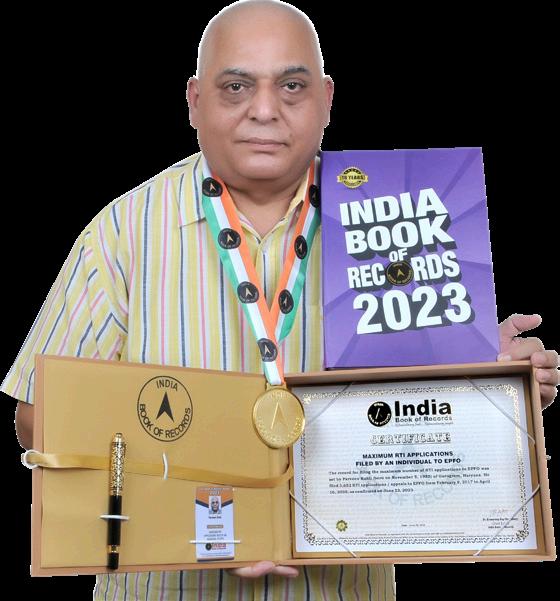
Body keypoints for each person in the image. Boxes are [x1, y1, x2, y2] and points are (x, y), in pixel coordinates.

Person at [3, 0, 558, 599]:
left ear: (327, 99)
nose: (265, 110)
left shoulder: (402, 218)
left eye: (291, 86)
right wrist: (198, 514)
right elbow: (38, 421)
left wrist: (494, 384)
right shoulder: (122, 233)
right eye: (236, 87)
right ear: (194, 101)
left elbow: (431, 430)